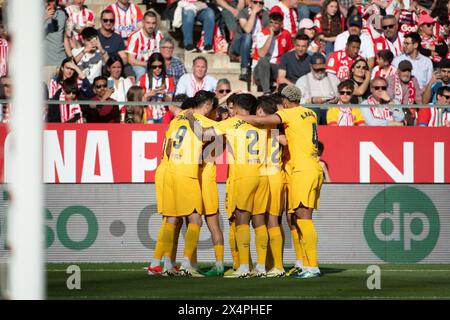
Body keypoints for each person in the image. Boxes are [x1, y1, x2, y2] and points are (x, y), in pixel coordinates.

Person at [235, 85, 324, 279]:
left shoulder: (288, 114)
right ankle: (305, 264)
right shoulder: (310, 113)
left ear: (285, 101)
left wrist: (238, 117)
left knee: (302, 218)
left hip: (301, 171)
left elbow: (261, 120)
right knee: (298, 218)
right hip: (312, 168)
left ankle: (312, 266)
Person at [253, 12, 293, 95]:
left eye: (276, 23)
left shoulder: (286, 34)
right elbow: (261, 54)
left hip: (277, 68)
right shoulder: (262, 34)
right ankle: (266, 92)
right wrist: (271, 36)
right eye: (271, 22)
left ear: (281, 24)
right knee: (264, 60)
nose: (272, 25)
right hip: (261, 69)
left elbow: (290, 53)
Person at [295, 53, 340, 125]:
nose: (320, 71)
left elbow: (342, 95)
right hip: (311, 113)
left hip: (331, 111)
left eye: (322, 69)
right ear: (311, 67)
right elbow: (295, 101)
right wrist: (311, 100)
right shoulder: (302, 80)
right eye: (317, 69)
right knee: (316, 110)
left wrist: (337, 99)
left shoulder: (334, 79)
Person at [232, 0, 270, 81]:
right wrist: (253, 13)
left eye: (261, 3)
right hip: (240, 44)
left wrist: (256, 48)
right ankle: (244, 69)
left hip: (257, 45)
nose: (258, 5)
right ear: (250, 3)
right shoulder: (243, 12)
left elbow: (267, 34)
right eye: (255, 2)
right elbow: (247, 29)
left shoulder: (265, 14)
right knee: (248, 36)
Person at [126, 11, 165, 82]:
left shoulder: (158, 34)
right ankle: (140, 92)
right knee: (142, 72)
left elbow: (163, 53)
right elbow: (131, 60)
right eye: (148, 23)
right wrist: (148, 64)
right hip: (139, 65)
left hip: (155, 64)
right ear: (143, 22)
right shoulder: (135, 36)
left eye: (153, 23)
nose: (151, 26)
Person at [138, 52, 176, 124]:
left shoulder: (169, 79)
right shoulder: (143, 78)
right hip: (148, 112)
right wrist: (149, 94)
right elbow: (140, 102)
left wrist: (164, 95)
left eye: (160, 66)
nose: (157, 69)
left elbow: (169, 102)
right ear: (150, 66)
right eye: (154, 67)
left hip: (164, 113)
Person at [387, 59, 422, 125]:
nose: (406, 73)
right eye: (404, 71)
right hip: (393, 112)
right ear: (398, 71)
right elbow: (389, 99)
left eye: (409, 71)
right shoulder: (391, 79)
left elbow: (419, 100)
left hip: (409, 113)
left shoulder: (413, 80)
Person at [44, 0, 69, 83]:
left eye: (52, 0)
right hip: (46, 64)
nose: (50, 3)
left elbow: (65, 37)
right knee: (45, 93)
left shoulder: (62, 14)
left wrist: (71, 58)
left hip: (62, 62)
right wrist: (44, 18)